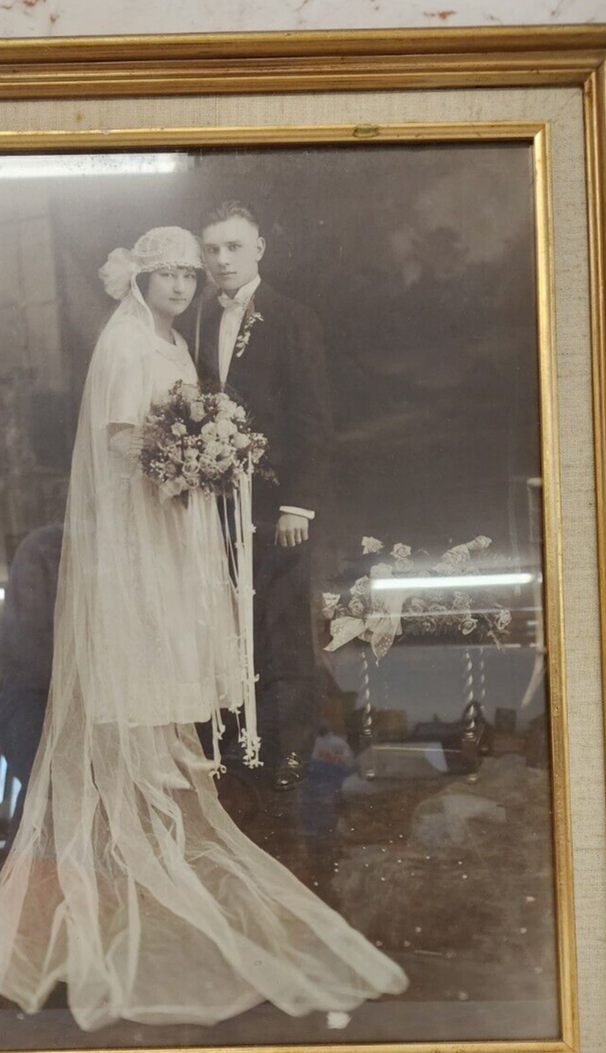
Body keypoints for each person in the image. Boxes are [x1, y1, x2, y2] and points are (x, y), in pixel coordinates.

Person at [0, 226, 407, 1030]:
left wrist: (211, 454)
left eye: (185, 274)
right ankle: (125, 912)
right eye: (165, 274)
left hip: (179, 525)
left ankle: (165, 870)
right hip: (145, 530)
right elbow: (122, 441)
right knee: (144, 703)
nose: (179, 285)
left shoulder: (178, 340)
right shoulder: (128, 344)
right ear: (138, 280)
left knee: (188, 701)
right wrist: (188, 457)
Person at [196, 200, 332, 790]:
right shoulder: (197, 319)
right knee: (228, 622)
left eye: (233, 247)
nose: (222, 259)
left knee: (284, 627)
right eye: (212, 249)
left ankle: (291, 754)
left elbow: (313, 418)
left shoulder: (292, 318)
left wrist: (297, 504)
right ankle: (238, 747)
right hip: (214, 506)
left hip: (278, 504)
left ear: (258, 249)